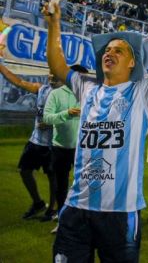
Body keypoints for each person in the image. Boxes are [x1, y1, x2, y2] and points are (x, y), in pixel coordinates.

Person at [46, 0, 148, 262]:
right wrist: (54, 24)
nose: (109, 53)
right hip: (76, 208)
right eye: (107, 49)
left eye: (119, 50)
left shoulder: (144, 91)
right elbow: (58, 66)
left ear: (133, 63)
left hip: (121, 213)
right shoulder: (86, 87)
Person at [0, 53, 60, 220]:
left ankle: (53, 209)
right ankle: (38, 203)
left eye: (55, 74)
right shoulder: (42, 89)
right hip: (35, 141)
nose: (52, 76)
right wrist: (1, 66)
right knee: (24, 171)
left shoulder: (67, 95)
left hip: (53, 144)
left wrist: (52, 123)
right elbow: (18, 81)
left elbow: (72, 118)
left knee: (52, 176)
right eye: (50, 73)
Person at [42, 64, 89, 233]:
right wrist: (67, 113)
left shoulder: (90, 95)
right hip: (60, 148)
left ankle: (83, 221)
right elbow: (47, 118)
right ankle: (62, 221)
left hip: (83, 149)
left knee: (84, 186)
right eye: (81, 78)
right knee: (61, 186)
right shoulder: (56, 94)